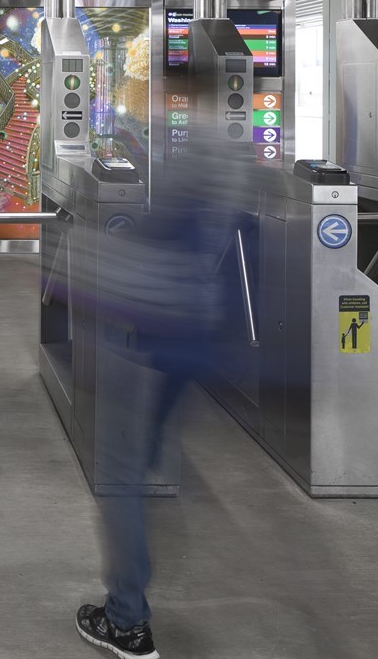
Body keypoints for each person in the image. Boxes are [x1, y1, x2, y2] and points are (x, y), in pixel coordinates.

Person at [73, 133, 242, 658]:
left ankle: (127, 621)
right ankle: (133, 584)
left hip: (148, 343)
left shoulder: (192, 164)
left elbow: (151, 246)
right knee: (142, 468)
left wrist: (87, 259)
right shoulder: (229, 164)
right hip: (188, 345)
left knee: (121, 482)